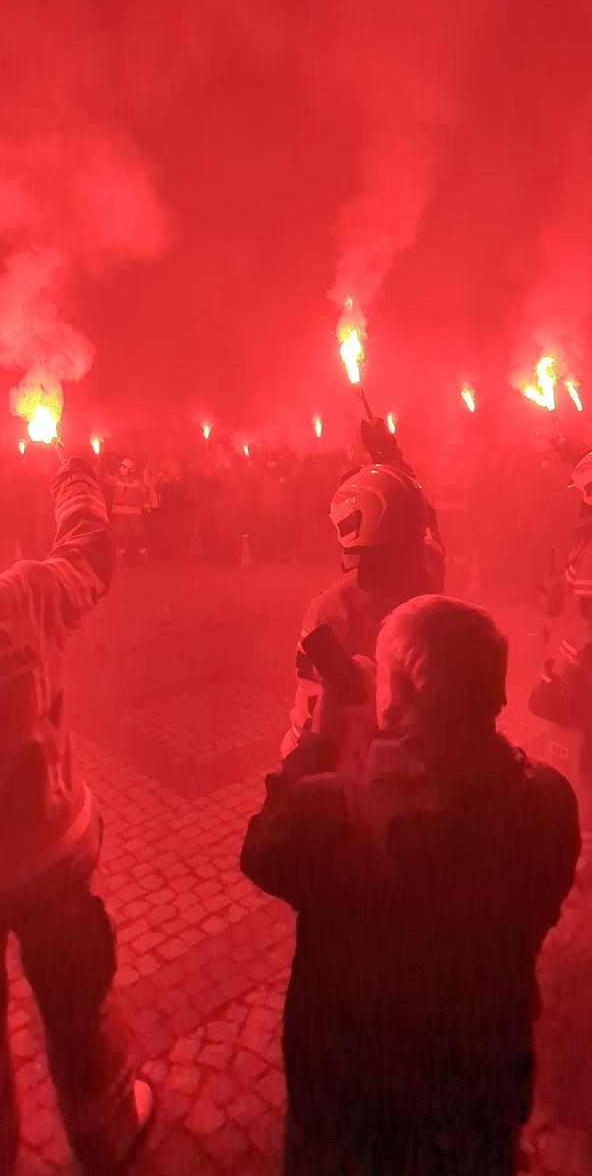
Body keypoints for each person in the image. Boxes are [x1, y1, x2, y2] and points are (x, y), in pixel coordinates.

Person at [243, 595, 580, 1176]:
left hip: (354, 1103)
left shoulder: (335, 810)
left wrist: (323, 735)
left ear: (400, 694)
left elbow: (262, 847)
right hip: (483, 1081)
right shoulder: (549, 799)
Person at [0, 455, 151, 1175]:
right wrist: (76, 477)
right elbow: (88, 554)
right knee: (79, 1011)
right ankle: (109, 1135)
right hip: (51, 865)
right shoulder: (26, 597)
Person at [281, 441, 444, 757]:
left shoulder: (331, 609)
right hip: (408, 747)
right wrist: (391, 459)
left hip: (343, 757)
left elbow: (320, 713)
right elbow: (424, 520)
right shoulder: (430, 566)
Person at [530, 445, 592, 837]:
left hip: (581, 682)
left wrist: (565, 674)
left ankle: (583, 857)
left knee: (578, 771)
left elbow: (585, 621)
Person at [112, 458, 148, 564]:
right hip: (119, 512)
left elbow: (144, 495)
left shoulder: (137, 482)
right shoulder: (116, 480)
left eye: (124, 467)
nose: (121, 468)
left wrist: (146, 505)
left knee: (138, 534)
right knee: (120, 535)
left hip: (134, 512)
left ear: (130, 469)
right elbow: (105, 480)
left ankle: (144, 556)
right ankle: (120, 559)